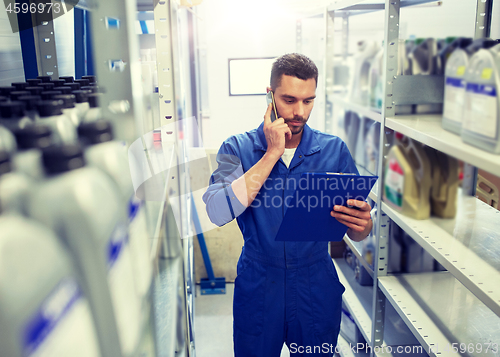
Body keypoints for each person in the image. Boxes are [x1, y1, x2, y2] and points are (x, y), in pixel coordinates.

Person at [203, 53, 372, 357]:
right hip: (259, 284)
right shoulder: (237, 148)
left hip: (315, 284)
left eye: (308, 101)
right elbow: (216, 211)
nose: (299, 112)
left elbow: (356, 232)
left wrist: (363, 227)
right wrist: (270, 154)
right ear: (270, 96)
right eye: (290, 99)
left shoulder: (333, 151)